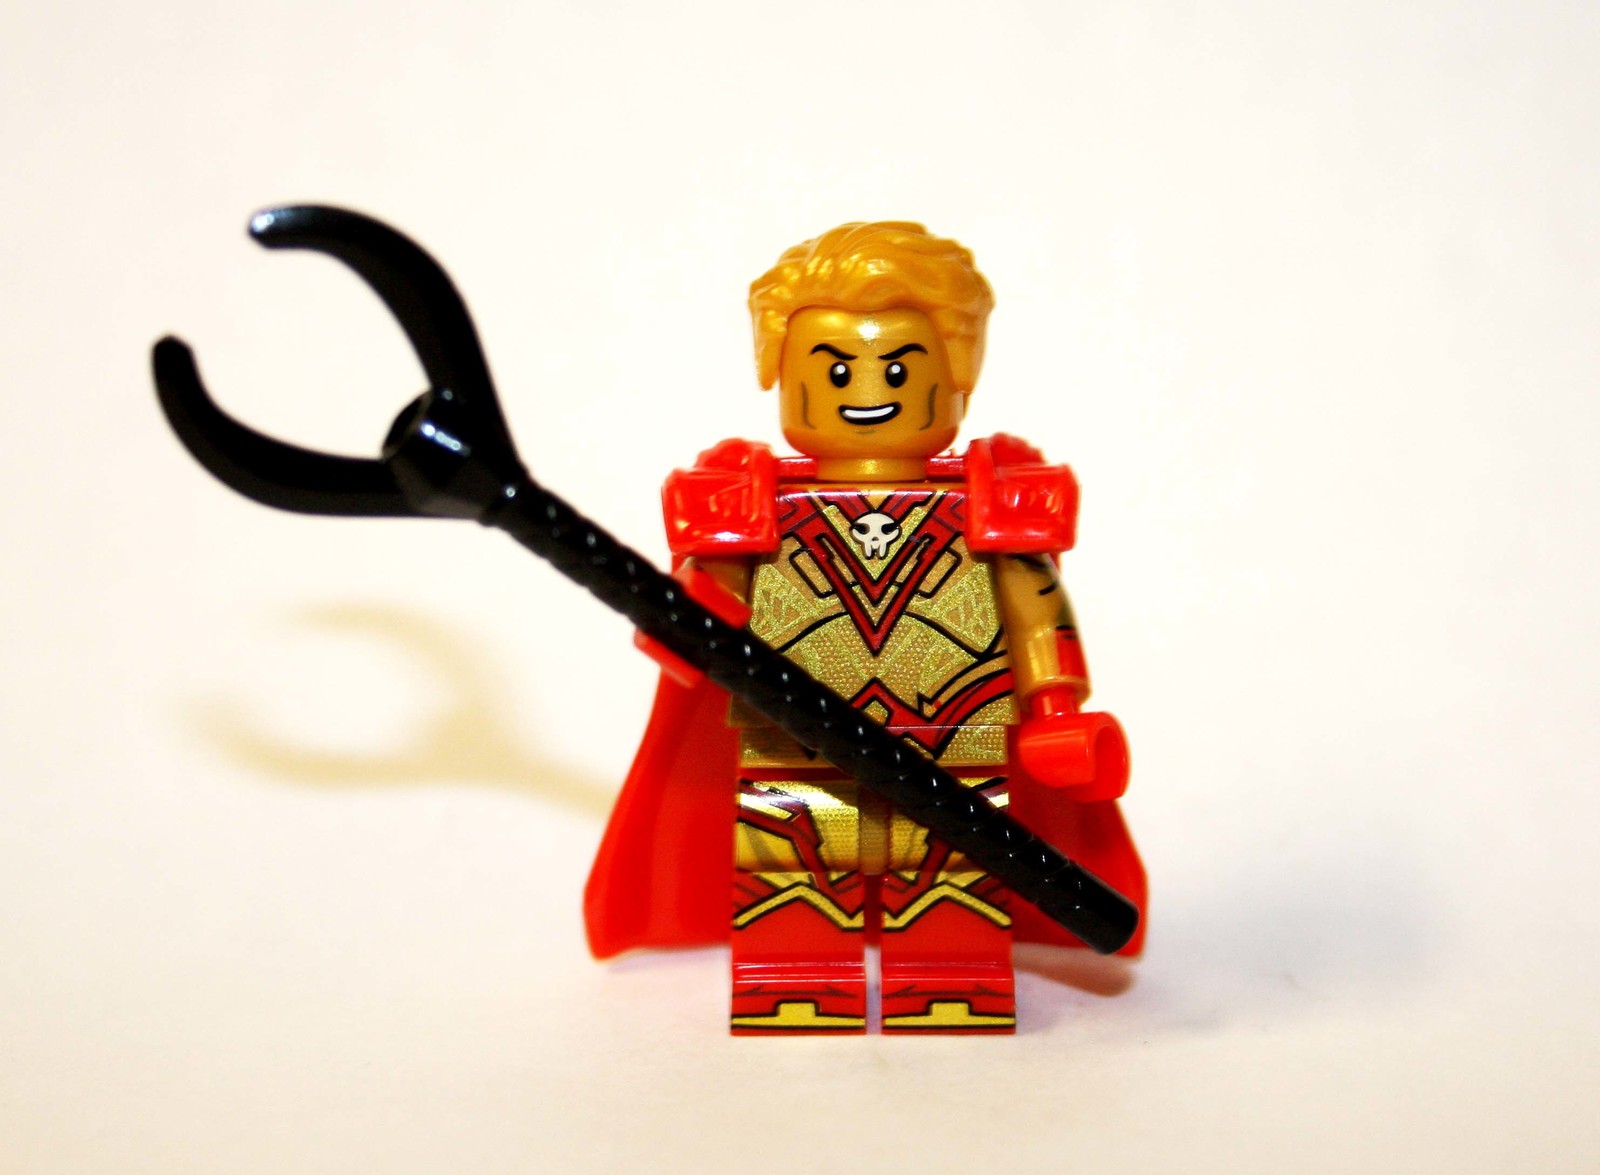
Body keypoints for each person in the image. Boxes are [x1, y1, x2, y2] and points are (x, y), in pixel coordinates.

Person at [585, 222, 1145, 1034]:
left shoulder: (992, 498)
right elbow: (705, 604)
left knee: (948, 877)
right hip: (792, 736)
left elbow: (1035, 605)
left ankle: (950, 979)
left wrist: (1057, 709)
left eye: (899, 367)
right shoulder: (751, 497)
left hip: (952, 736)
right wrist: (683, 619)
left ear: (957, 374)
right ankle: (796, 978)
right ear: (783, 375)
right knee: (797, 874)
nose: (867, 388)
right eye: (836, 368)